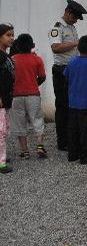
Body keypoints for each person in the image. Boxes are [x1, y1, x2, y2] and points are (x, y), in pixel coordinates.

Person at [49, 0, 86, 151]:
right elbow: (56, 47)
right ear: (68, 12)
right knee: (63, 105)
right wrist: (76, 44)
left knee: (72, 105)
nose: (76, 20)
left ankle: (72, 138)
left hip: (73, 69)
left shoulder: (71, 28)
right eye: (75, 17)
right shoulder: (57, 28)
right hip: (61, 70)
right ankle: (62, 141)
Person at [63, 35, 87, 164]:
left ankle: (72, 154)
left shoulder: (72, 62)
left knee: (73, 129)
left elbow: (66, 76)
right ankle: (86, 156)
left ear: (78, 47)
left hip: (72, 102)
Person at [9, 34, 47, 159]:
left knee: (19, 123)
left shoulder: (12, 60)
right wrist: (34, 84)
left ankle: (25, 151)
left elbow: (9, 78)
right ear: (32, 46)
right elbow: (42, 77)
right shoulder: (37, 59)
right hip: (33, 95)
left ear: (17, 46)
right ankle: (40, 146)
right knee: (37, 120)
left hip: (16, 96)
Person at [0, 23, 15, 174]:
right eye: (8, 35)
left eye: (12, 35)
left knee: (5, 129)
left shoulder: (6, 55)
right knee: (1, 130)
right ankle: (1, 162)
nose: (11, 38)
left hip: (6, 99)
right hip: (1, 101)